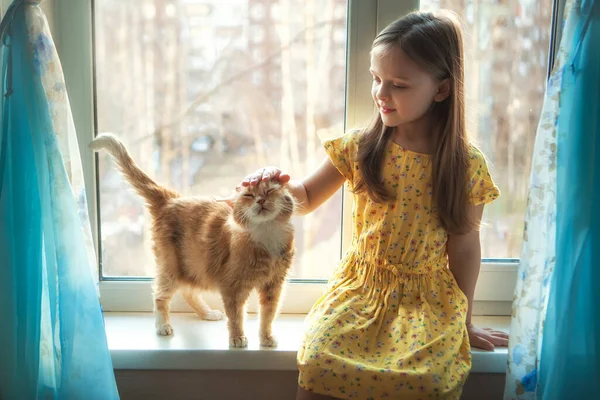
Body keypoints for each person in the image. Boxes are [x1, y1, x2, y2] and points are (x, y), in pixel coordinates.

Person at [223, 10, 509, 400]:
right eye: (376, 79)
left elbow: (463, 248)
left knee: (428, 378)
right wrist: (271, 182)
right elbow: (304, 198)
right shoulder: (360, 147)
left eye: (399, 85)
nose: (381, 94)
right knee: (320, 359)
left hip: (425, 301)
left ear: (441, 89)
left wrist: (466, 321)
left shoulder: (464, 165)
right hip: (360, 291)